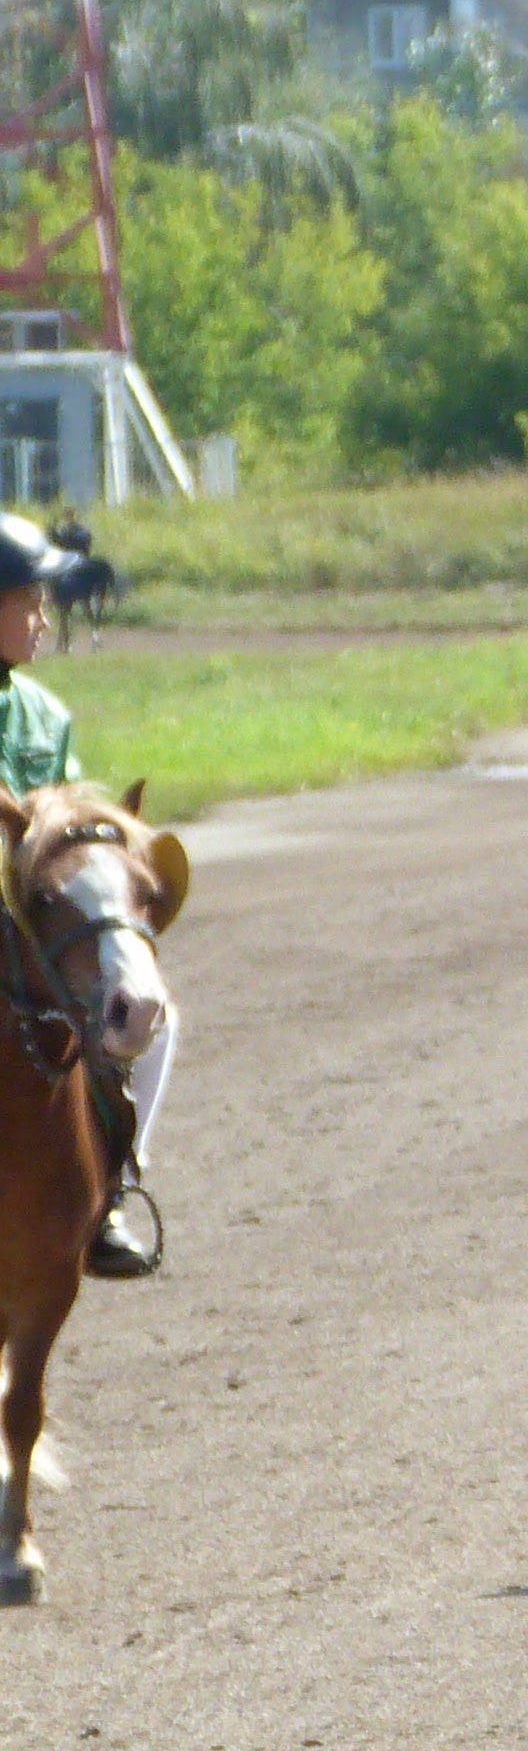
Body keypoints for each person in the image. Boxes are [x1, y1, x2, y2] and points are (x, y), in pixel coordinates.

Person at [0, 515, 168, 1282]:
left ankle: (108, 1193)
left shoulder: (44, 712)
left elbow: (65, 822)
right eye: (28, 602)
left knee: (151, 1019)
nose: (43, 618)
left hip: (33, 922)